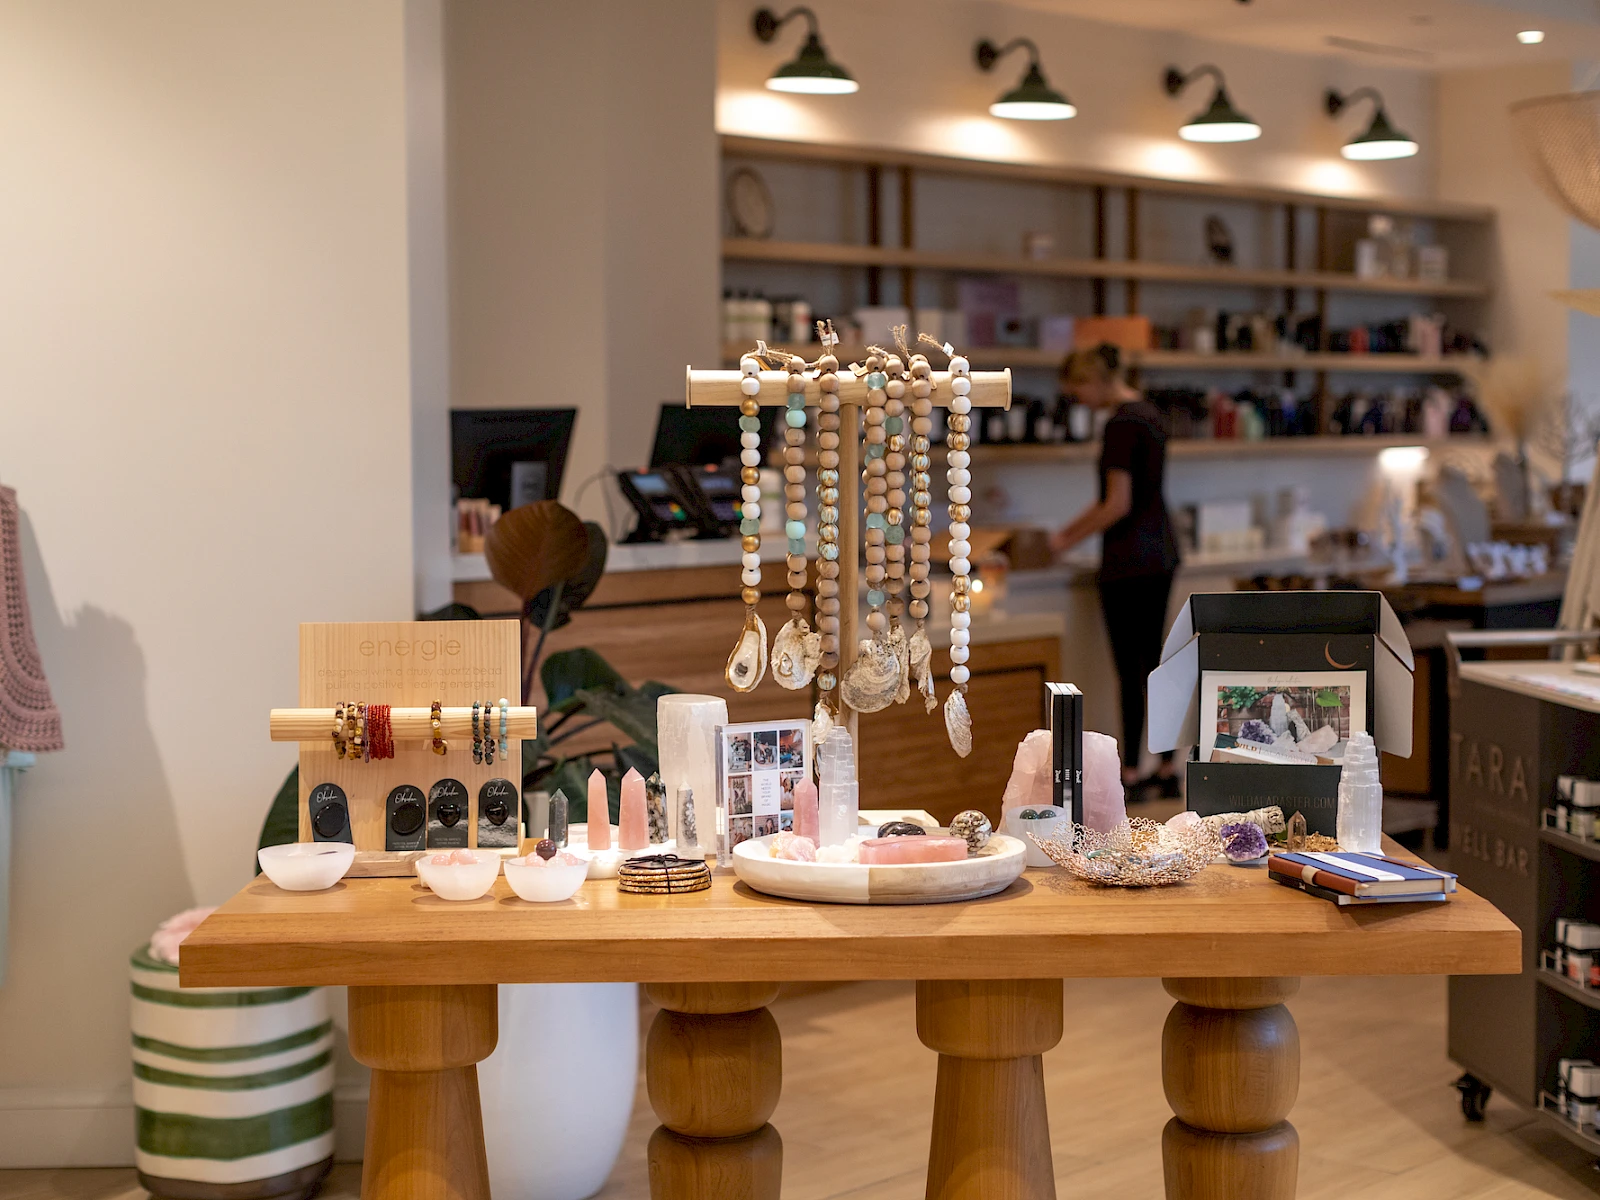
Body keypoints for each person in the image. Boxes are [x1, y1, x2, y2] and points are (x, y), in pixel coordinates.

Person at [1050, 344, 1181, 797]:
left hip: (1129, 560)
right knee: (1155, 665)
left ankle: (1131, 773)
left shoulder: (1120, 424)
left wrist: (1062, 539)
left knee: (1131, 669)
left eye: (1078, 390)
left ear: (1095, 380)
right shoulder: (1151, 415)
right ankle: (1167, 766)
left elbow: (1116, 504)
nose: (1079, 400)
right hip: (1161, 552)